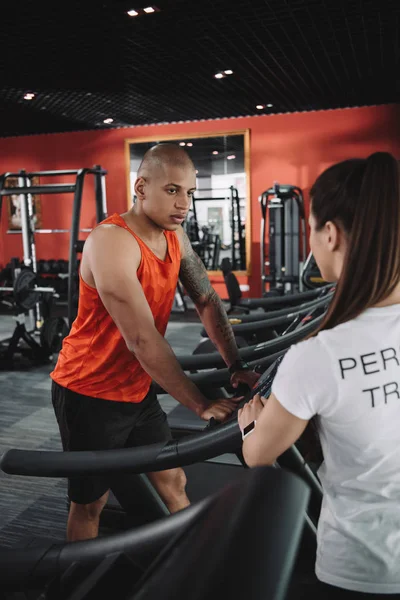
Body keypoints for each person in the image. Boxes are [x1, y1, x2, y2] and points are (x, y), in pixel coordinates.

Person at [51, 143, 259, 542]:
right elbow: (143, 340)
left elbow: (207, 299)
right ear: (141, 187)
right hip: (88, 390)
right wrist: (199, 403)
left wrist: (235, 366)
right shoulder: (112, 242)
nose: (184, 203)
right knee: (90, 504)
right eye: (173, 190)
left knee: (172, 480)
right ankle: (70, 583)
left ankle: (194, 561)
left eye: (190, 193)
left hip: (136, 388)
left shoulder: (175, 236)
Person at [238, 152, 400, 599]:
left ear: (330, 235)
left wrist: (251, 422)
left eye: (311, 229)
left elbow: (257, 453)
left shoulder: (317, 355)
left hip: (360, 569)